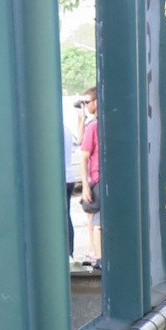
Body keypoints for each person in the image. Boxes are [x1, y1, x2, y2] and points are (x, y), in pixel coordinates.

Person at [79, 87, 102, 267]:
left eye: (87, 102)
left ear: (96, 102)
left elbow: (84, 155)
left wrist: (86, 185)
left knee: (94, 220)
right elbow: (84, 154)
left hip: (97, 179)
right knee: (94, 219)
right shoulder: (94, 126)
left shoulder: (93, 127)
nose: (85, 105)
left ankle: (96, 254)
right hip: (98, 179)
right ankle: (96, 253)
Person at [63, 123, 77, 259]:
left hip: (59, 178)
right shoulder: (67, 129)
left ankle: (66, 252)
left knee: (59, 216)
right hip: (69, 177)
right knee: (66, 215)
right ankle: (69, 252)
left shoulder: (51, 131)